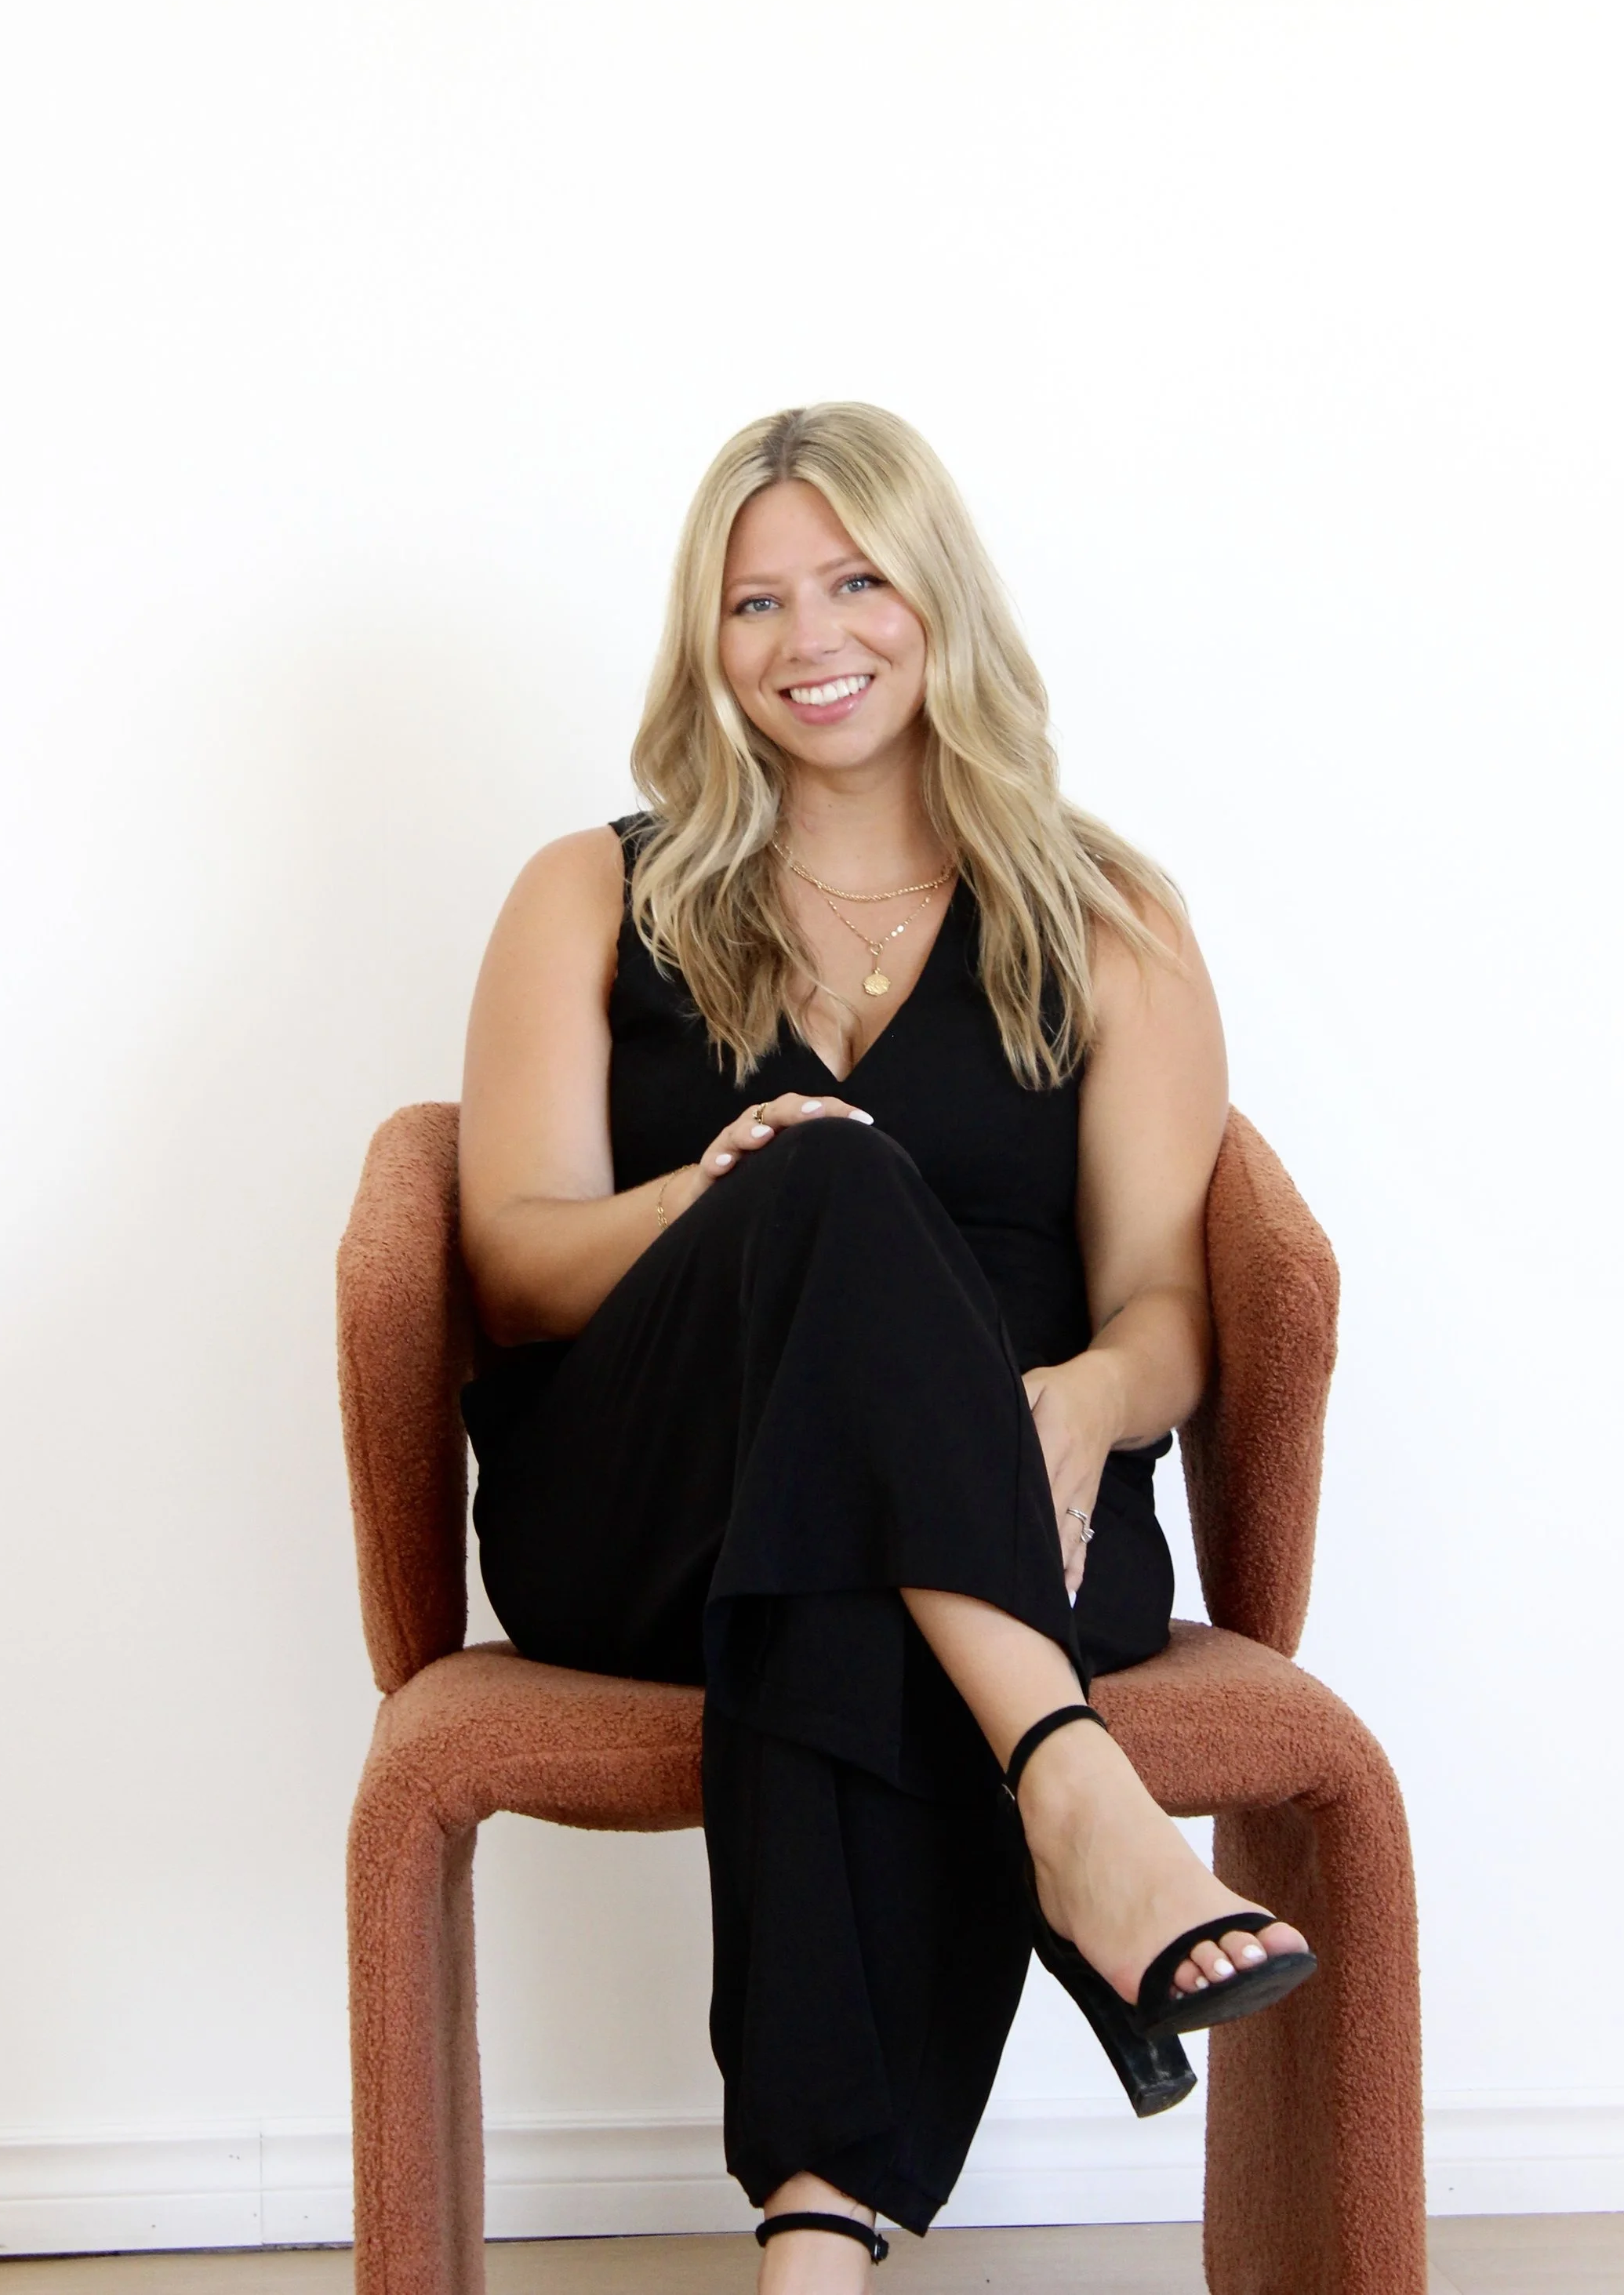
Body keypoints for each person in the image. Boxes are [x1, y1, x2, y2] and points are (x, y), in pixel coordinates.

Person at [457, 403, 1313, 2287]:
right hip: (641, 1509)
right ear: (706, 643)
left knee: (846, 1564)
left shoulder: (1105, 916)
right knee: (825, 1188)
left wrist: (1081, 1405)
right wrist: (716, 1194)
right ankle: (1073, 1791)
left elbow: (1169, 1313)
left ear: (937, 597)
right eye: (754, 601)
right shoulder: (590, 894)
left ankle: (814, 2238)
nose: (808, 636)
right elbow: (511, 1269)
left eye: (853, 578)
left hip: (1024, 1499)